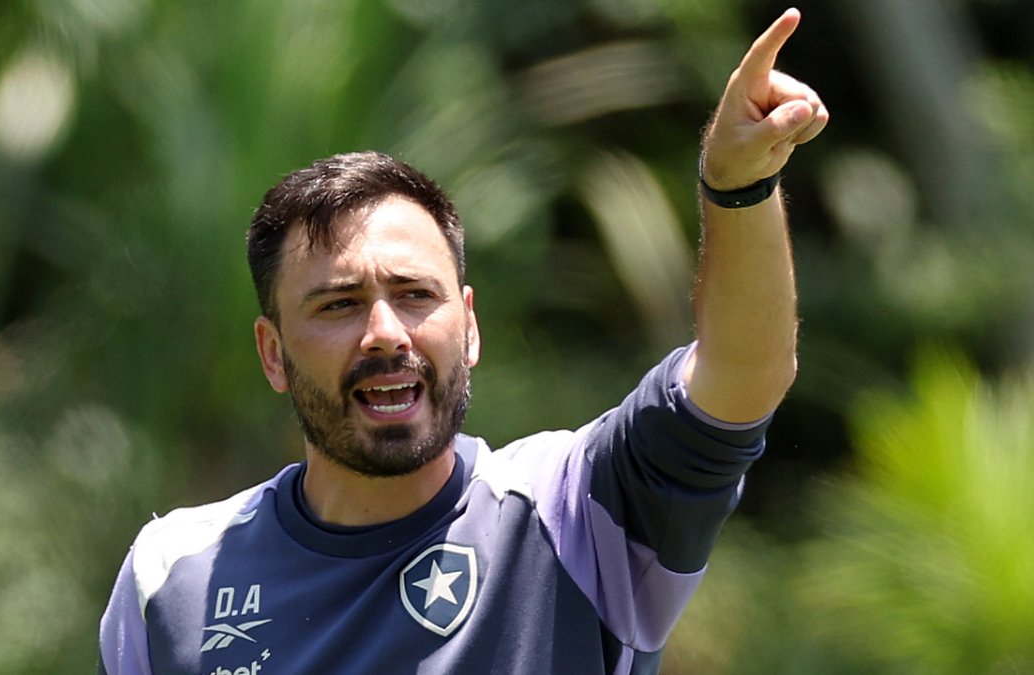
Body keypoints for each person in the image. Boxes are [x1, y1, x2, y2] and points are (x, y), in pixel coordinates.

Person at [97, 8, 828, 675]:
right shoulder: (172, 578)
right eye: (339, 304)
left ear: (469, 326)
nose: (385, 333)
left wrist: (738, 186)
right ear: (271, 352)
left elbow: (743, 372)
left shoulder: (578, 515)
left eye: (416, 295)